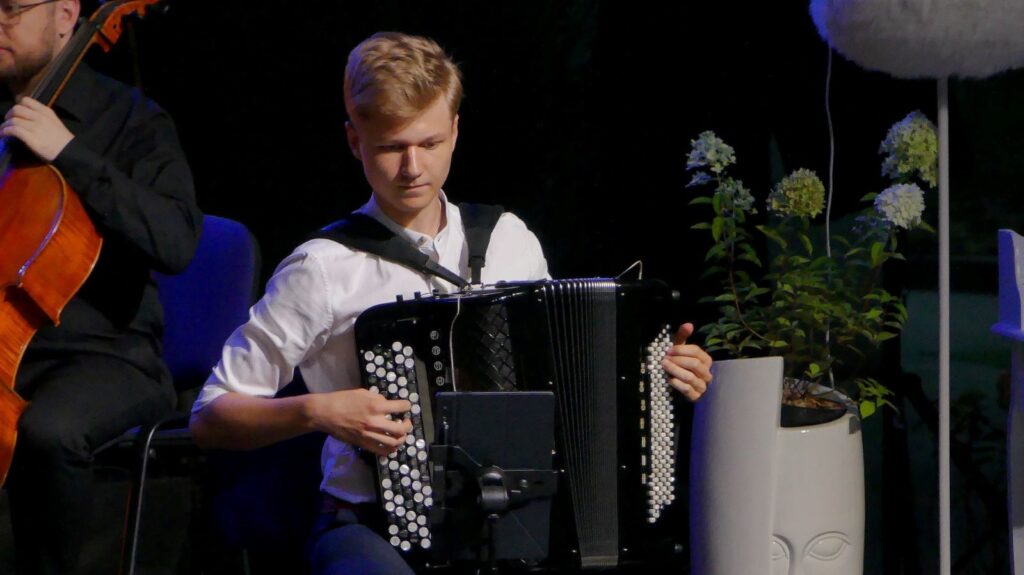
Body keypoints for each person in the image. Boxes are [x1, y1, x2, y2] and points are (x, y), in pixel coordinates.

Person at [189, 31, 712, 575]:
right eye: (392, 147)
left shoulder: (509, 239)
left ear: (456, 129)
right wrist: (318, 411)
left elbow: (566, 375)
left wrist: (656, 372)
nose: (413, 166)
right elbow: (211, 416)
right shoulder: (321, 268)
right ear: (353, 141)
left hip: (518, 521)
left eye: (431, 143)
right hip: (370, 525)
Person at [0, 1, 203, 573]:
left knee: (47, 431)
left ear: (66, 15)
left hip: (107, 357)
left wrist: (70, 154)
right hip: (12, 352)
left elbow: (177, 242)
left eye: (12, 8)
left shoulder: (133, 120)